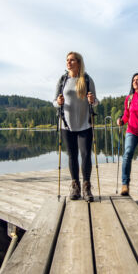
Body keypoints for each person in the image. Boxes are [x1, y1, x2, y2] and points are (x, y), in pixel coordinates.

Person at [53, 51, 98, 201]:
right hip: (66, 125)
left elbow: (96, 102)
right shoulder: (62, 80)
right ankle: (75, 187)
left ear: (78, 62)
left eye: (72, 60)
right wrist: (58, 102)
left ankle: (86, 188)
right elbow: (54, 101)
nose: (69, 62)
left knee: (85, 155)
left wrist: (92, 100)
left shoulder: (86, 79)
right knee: (72, 155)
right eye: (67, 60)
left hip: (85, 123)